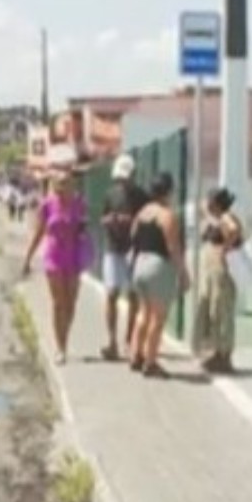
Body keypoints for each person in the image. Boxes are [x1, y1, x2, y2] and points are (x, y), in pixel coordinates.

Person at [20, 166, 90, 364]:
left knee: (71, 303)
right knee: (59, 303)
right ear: (53, 185)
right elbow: (38, 232)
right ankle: (61, 347)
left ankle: (64, 335)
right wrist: (28, 258)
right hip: (54, 255)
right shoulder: (47, 205)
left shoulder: (80, 204)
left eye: (66, 182)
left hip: (74, 255)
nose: (62, 186)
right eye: (59, 183)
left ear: (73, 184)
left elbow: (84, 230)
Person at [127, 172, 188, 378]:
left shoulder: (142, 213)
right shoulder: (167, 215)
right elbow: (173, 248)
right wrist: (183, 273)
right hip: (158, 266)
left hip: (140, 264)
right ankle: (150, 361)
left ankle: (136, 355)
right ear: (168, 191)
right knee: (158, 318)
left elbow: (133, 236)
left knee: (143, 313)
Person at [99, 154, 148, 362]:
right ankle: (112, 341)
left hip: (133, 249)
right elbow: (102, 217)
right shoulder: (110, 194)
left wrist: (131, 220)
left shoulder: (141, 196)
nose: (123, 182)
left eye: (126, 178)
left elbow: (146, 219)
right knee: (111, 292)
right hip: (113, 248)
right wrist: (110, 219)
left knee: (133, 296)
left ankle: (130, 340)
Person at [193, 186, 243, 374]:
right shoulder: (216, 219)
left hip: (222, 271)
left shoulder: (226, 218)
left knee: (221, 310)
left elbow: (234, 230)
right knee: (212, 309)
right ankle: (216, 351)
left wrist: (226, 248)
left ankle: (224, 355)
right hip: (213, 271)